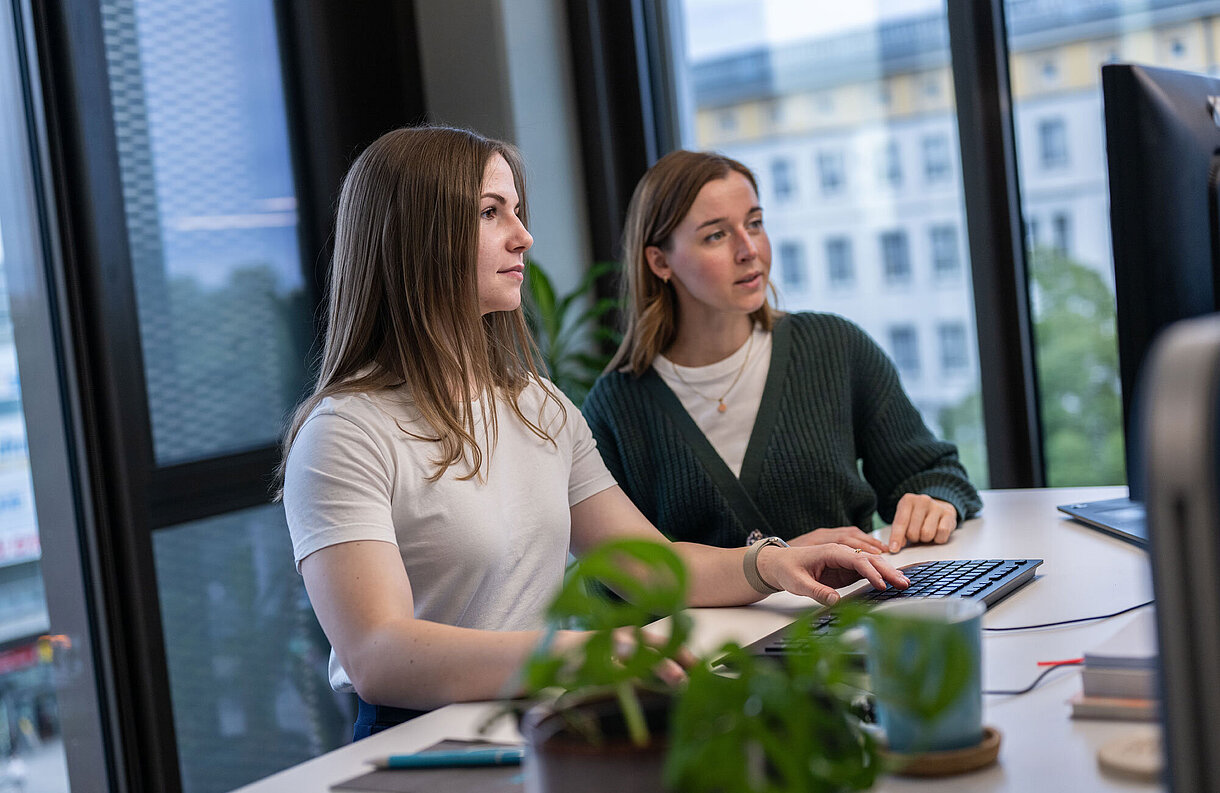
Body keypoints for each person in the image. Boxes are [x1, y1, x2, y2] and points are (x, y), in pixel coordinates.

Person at [278, 126, 909, 740]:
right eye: (490, 213)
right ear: (417, 239)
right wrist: (588, 653)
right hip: (422, 740)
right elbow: (379, 657)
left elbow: (645, 563)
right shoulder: (344, 434)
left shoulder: (536, 404)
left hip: (538, 718)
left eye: (516, 211)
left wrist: (772, 563)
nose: (523, 237)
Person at [582, 149, 982, 555]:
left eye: (754, 224)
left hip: (851, 612)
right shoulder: (615, 408)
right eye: (716, 235)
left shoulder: (834, 347)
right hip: (707, 623)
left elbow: (934, 472)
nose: (748, 249)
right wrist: (771, 564)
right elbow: (613, 574)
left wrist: (934, 500)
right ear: (660, 261)